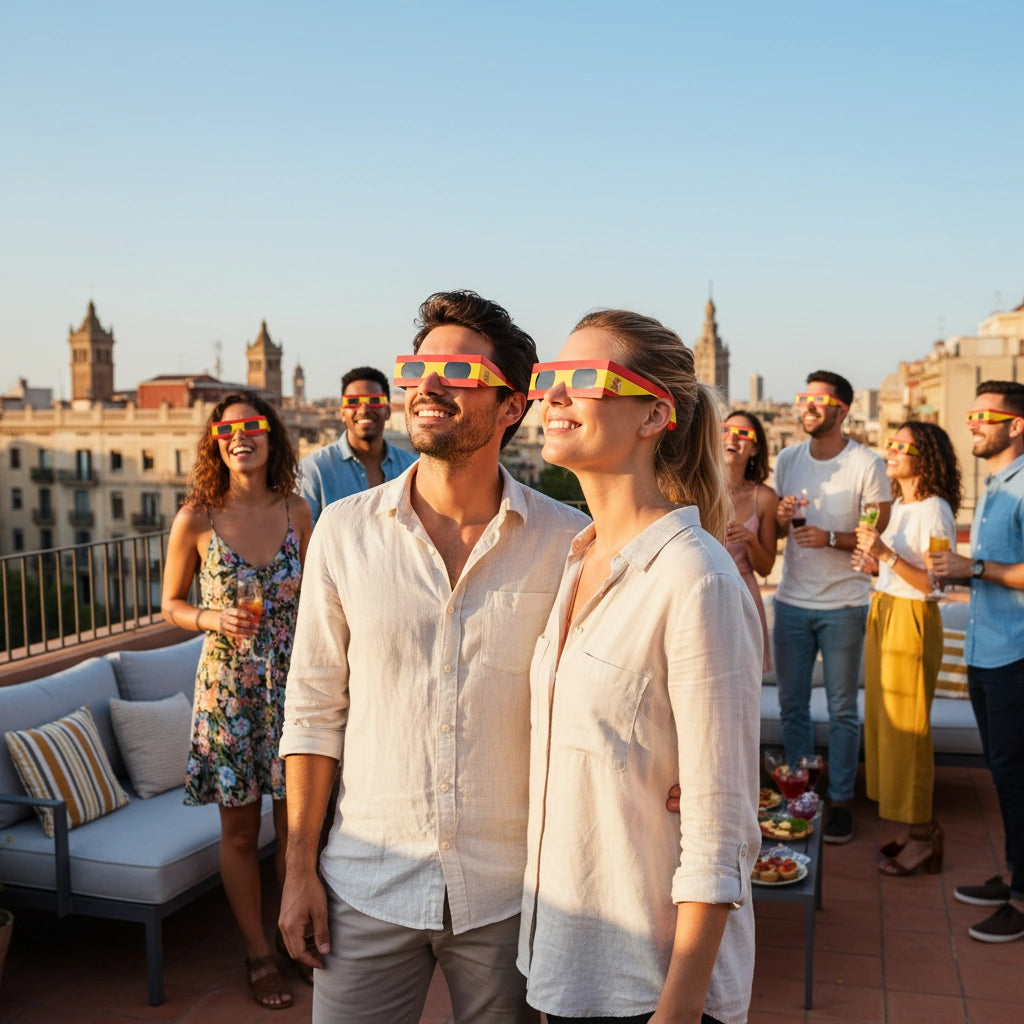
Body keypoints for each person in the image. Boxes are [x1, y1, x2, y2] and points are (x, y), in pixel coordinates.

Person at [277, 290, 589, 1024]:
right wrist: (297, 870)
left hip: (509, 893)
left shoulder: (569, 542)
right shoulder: (344, 532)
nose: (428, 385)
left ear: (512, 406)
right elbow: (314, 710)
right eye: (418, 368)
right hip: (366, 882)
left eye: (459, 371)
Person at [519, 310, 762, 1024]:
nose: (554, 395)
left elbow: (721, 825)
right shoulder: (578, 558)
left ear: (655, 414)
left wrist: (678, 1008)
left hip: (648, 984)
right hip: (567, 961)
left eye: (583, 378)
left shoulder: (694, 576)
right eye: (549, 377)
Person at [161, 391, 313, 1009]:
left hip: (295, 688)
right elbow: (170, 604)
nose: (240, 437)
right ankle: (257, 953)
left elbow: (321, 599)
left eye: (252, 426)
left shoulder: (299, 510)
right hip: (229, 695)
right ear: (215, 443)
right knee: (243, 833)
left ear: (272, 436)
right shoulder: (196, 519)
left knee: (298, 830)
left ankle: (292, 936)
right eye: (227, 431)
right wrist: (209, 617)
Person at [773, 370, 891, 844]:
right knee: (792, 707)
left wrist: (829, 538)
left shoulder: (867, 464)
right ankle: (801, 797)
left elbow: (874, 535)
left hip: (844, 604)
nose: (807, 406)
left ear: (842, 410)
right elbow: (778, 530)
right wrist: (780, 517)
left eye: (818, 401)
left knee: (843, 709)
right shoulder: (787, 459)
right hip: (790, 602)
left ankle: (840, 800)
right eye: (803, 398)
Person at [931, 381, 1024, 943]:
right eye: (970, 414)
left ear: (1016, 425)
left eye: (984, 416)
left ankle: (1021, 898)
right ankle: (1014, 875)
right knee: (1004, 775)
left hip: (1016, 653)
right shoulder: (994, 485)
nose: (972, 424)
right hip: (986, 650)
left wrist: (975, 569)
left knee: (1015, 778)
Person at [853, 422, 960, 876]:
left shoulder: (935, 509)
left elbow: (936, 584)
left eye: (902, 446)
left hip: (913, 618)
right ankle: (916, 825)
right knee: (887, 727)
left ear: (926, 457)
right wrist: (873, 565)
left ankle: (923, 837)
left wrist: (886, 555)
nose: (891, 451)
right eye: (891, 444)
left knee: (910, 731)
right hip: (885, 609)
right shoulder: (898, 505)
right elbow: (895, 572)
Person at [299, 365, 418, 524]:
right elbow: (303, 535)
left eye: (374, 401)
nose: (363, 409)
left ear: (388, 411)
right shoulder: (313, 470)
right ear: (342, 413)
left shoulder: (413, 468)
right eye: (353, 401)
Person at [723, 409, 779, 672]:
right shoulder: (692, 488)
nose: (732, 438)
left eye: (743, 434)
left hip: (742, 596)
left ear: (755, 449)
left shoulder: (764, 498)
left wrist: (750, 540)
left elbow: (766, 567)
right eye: (725, 430)